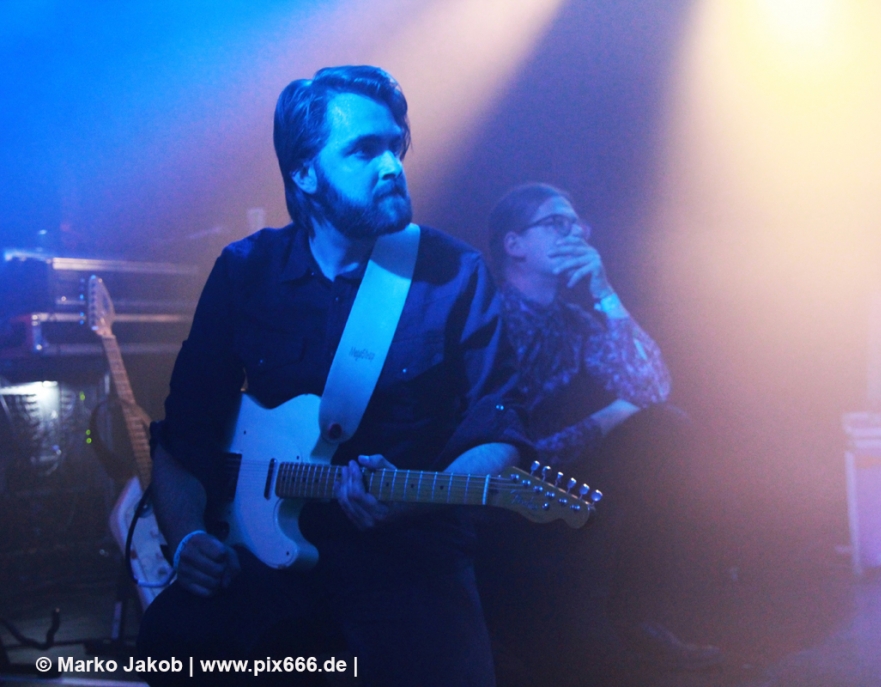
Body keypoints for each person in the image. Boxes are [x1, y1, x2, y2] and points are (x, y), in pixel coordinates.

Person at [136, 66, 531, 687]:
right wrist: (188, 540)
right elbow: (182, 436)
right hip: (260, 561)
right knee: (170, 642)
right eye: (364, 150)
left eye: (396, 146)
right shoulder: (246, 271)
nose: (392, 166)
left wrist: (415, 498)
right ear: (305, 173)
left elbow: (500, 430)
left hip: (408, 565)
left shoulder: (456, 274)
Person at [477, 183, 720, 686]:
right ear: (514, 244)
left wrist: (604, 291)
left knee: (665, 430)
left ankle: (635, 618)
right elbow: (507, 447)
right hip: (497, 491)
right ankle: (507, 633)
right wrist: (608, 418)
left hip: (560, 472)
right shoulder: (486, 319)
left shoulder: (574, 321)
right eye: (556, 223)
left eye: (577, 225)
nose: (574, 235)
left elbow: (653, 387)